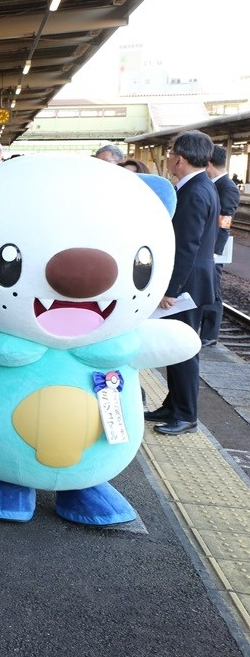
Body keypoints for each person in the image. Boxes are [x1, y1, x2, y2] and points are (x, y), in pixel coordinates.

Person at [144, 130, 219, 435]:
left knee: (183, 350)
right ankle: (173, 405)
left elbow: (186, 246)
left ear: (180, 158)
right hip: (193, 283)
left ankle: (186, 414)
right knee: (176, 349)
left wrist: (170, 290)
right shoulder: (201, 186)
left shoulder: (195, 192)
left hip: (186, 289)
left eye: (172, 153)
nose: (170, 158)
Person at [200, 145, 241, 345]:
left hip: (213, 250)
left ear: (208, 163)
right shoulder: (213, 184)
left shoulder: (228, 188)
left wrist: (215, 252)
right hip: (206, 247)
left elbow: (224, 222)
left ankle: (209, 334)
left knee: (213, 289)